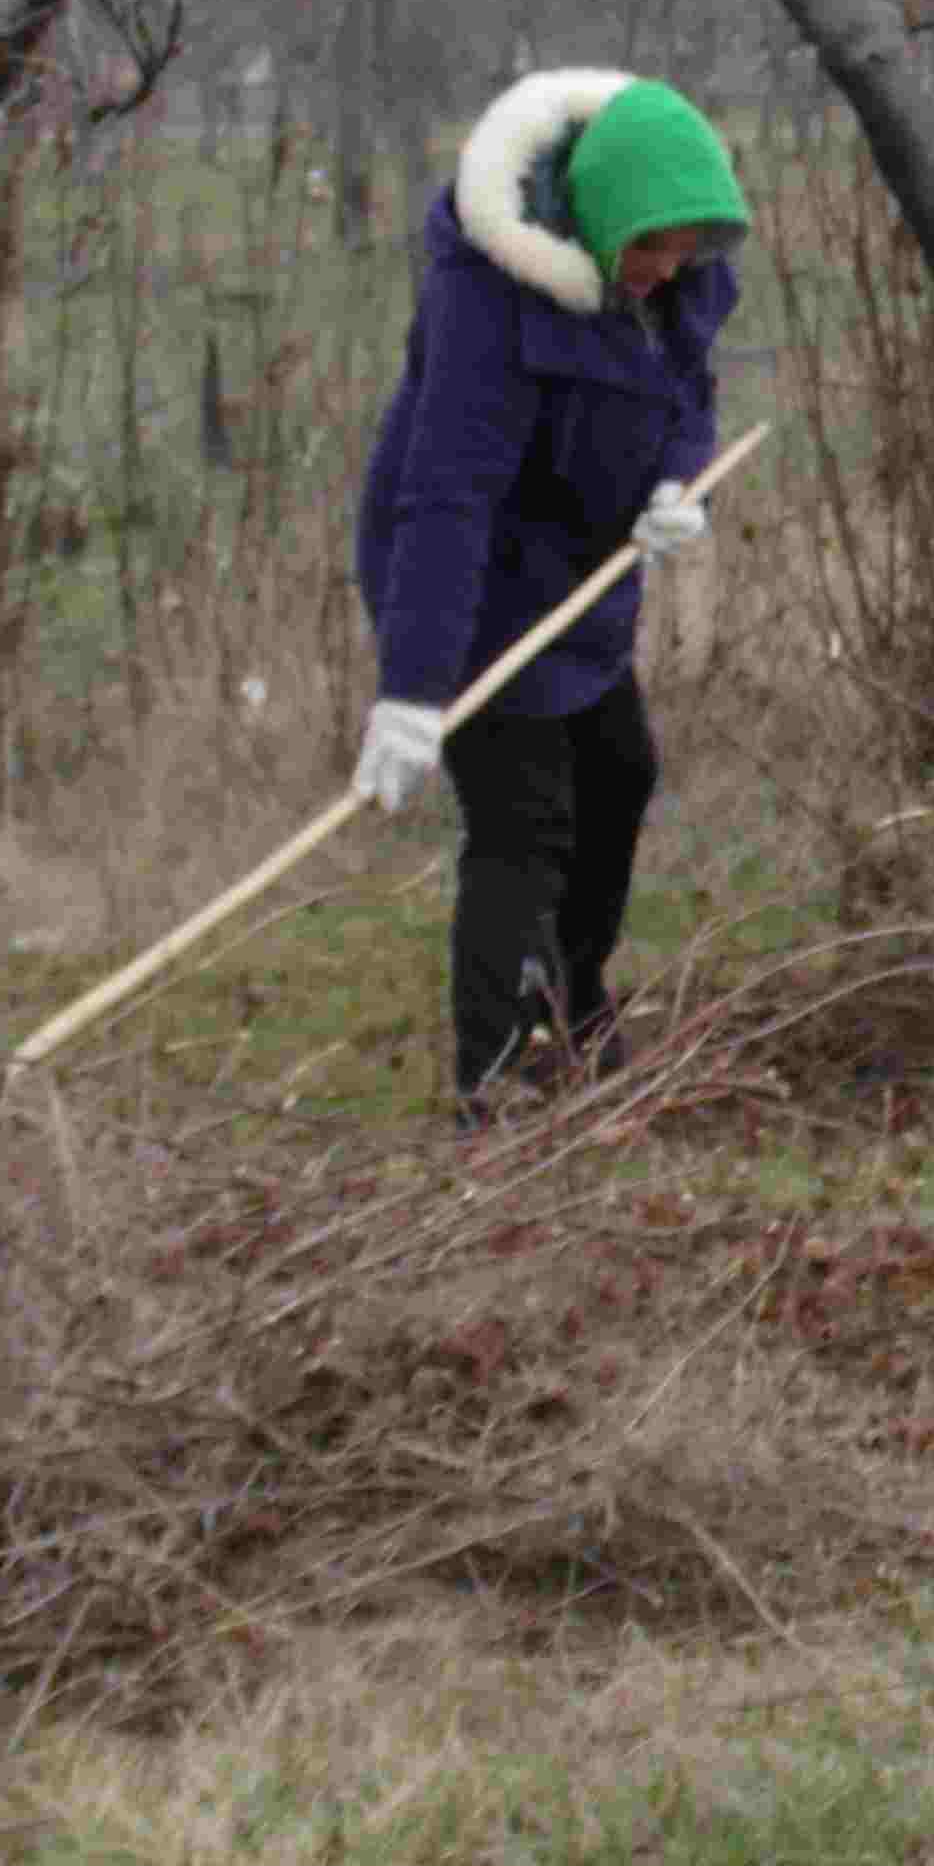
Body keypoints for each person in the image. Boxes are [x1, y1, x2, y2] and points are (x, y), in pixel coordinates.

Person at [352, 69, 750, 1112]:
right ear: (603, 212)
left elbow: (688, 397)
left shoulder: (673, 285)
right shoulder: (485, 298)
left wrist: (676, 477)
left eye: (686, 249)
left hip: (582, 579)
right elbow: (446, 499)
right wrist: (413, 690)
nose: (670, 271)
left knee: (617, 776)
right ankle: (498, 1074)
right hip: (470, 587)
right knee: (523, 824)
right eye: (652, 248)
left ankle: (574, 1002)